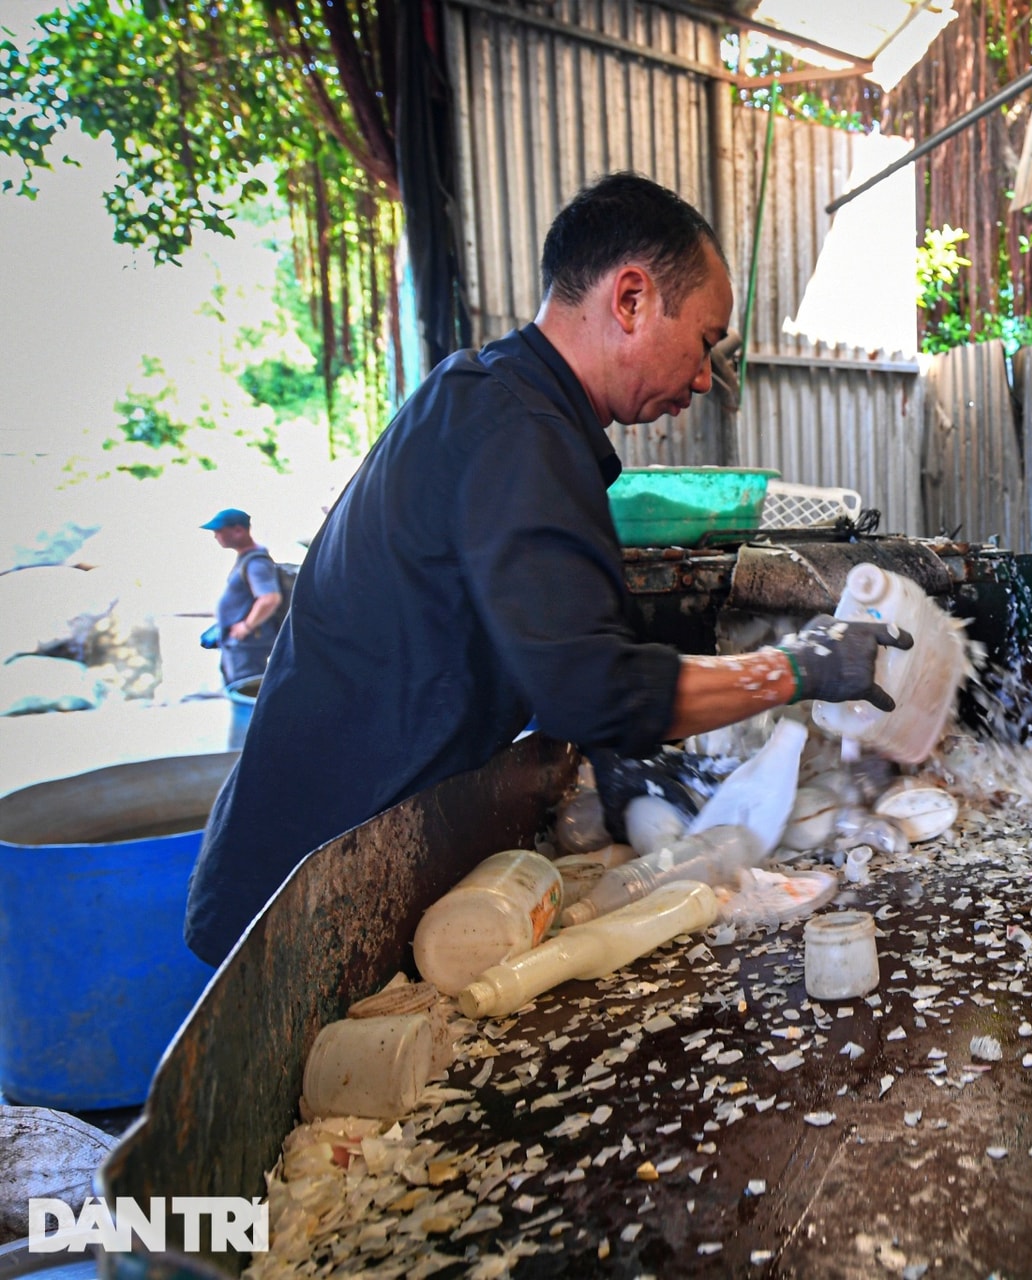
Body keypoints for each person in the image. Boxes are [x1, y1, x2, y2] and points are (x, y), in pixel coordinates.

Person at [184, 173, 908, 965]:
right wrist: (797, 670)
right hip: (301, 907)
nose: (704, 379)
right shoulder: (516, 431)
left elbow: (536, 639)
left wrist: (620, 760)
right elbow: (595, 686)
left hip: (329, 875)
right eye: (705, 342)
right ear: (630, 298)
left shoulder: (493, 403)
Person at [199, 508, 284, 686]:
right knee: (237, 688)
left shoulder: (256, 562)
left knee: (246, 692)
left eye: (220, 531)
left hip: (248, 645)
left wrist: (246, 626)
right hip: (238, 644)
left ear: (238, 530)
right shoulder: (246, 559)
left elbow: (270, 598)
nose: (216, 536)